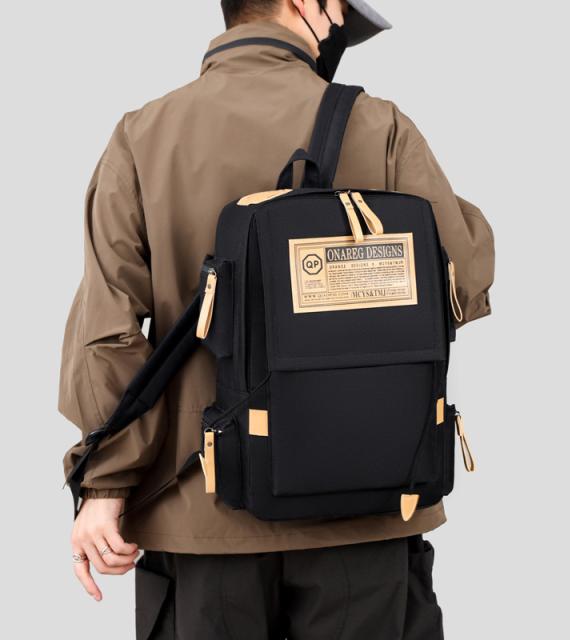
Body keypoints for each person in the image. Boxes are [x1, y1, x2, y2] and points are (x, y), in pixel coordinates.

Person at [59, 1, 495, 637]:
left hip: (201, 506)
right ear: (303, 3)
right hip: (366, 500)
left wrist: (105, 485)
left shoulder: (143, 133)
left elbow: (108, 331)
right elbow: (466, 278)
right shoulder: (378, 124)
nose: (339, 23)